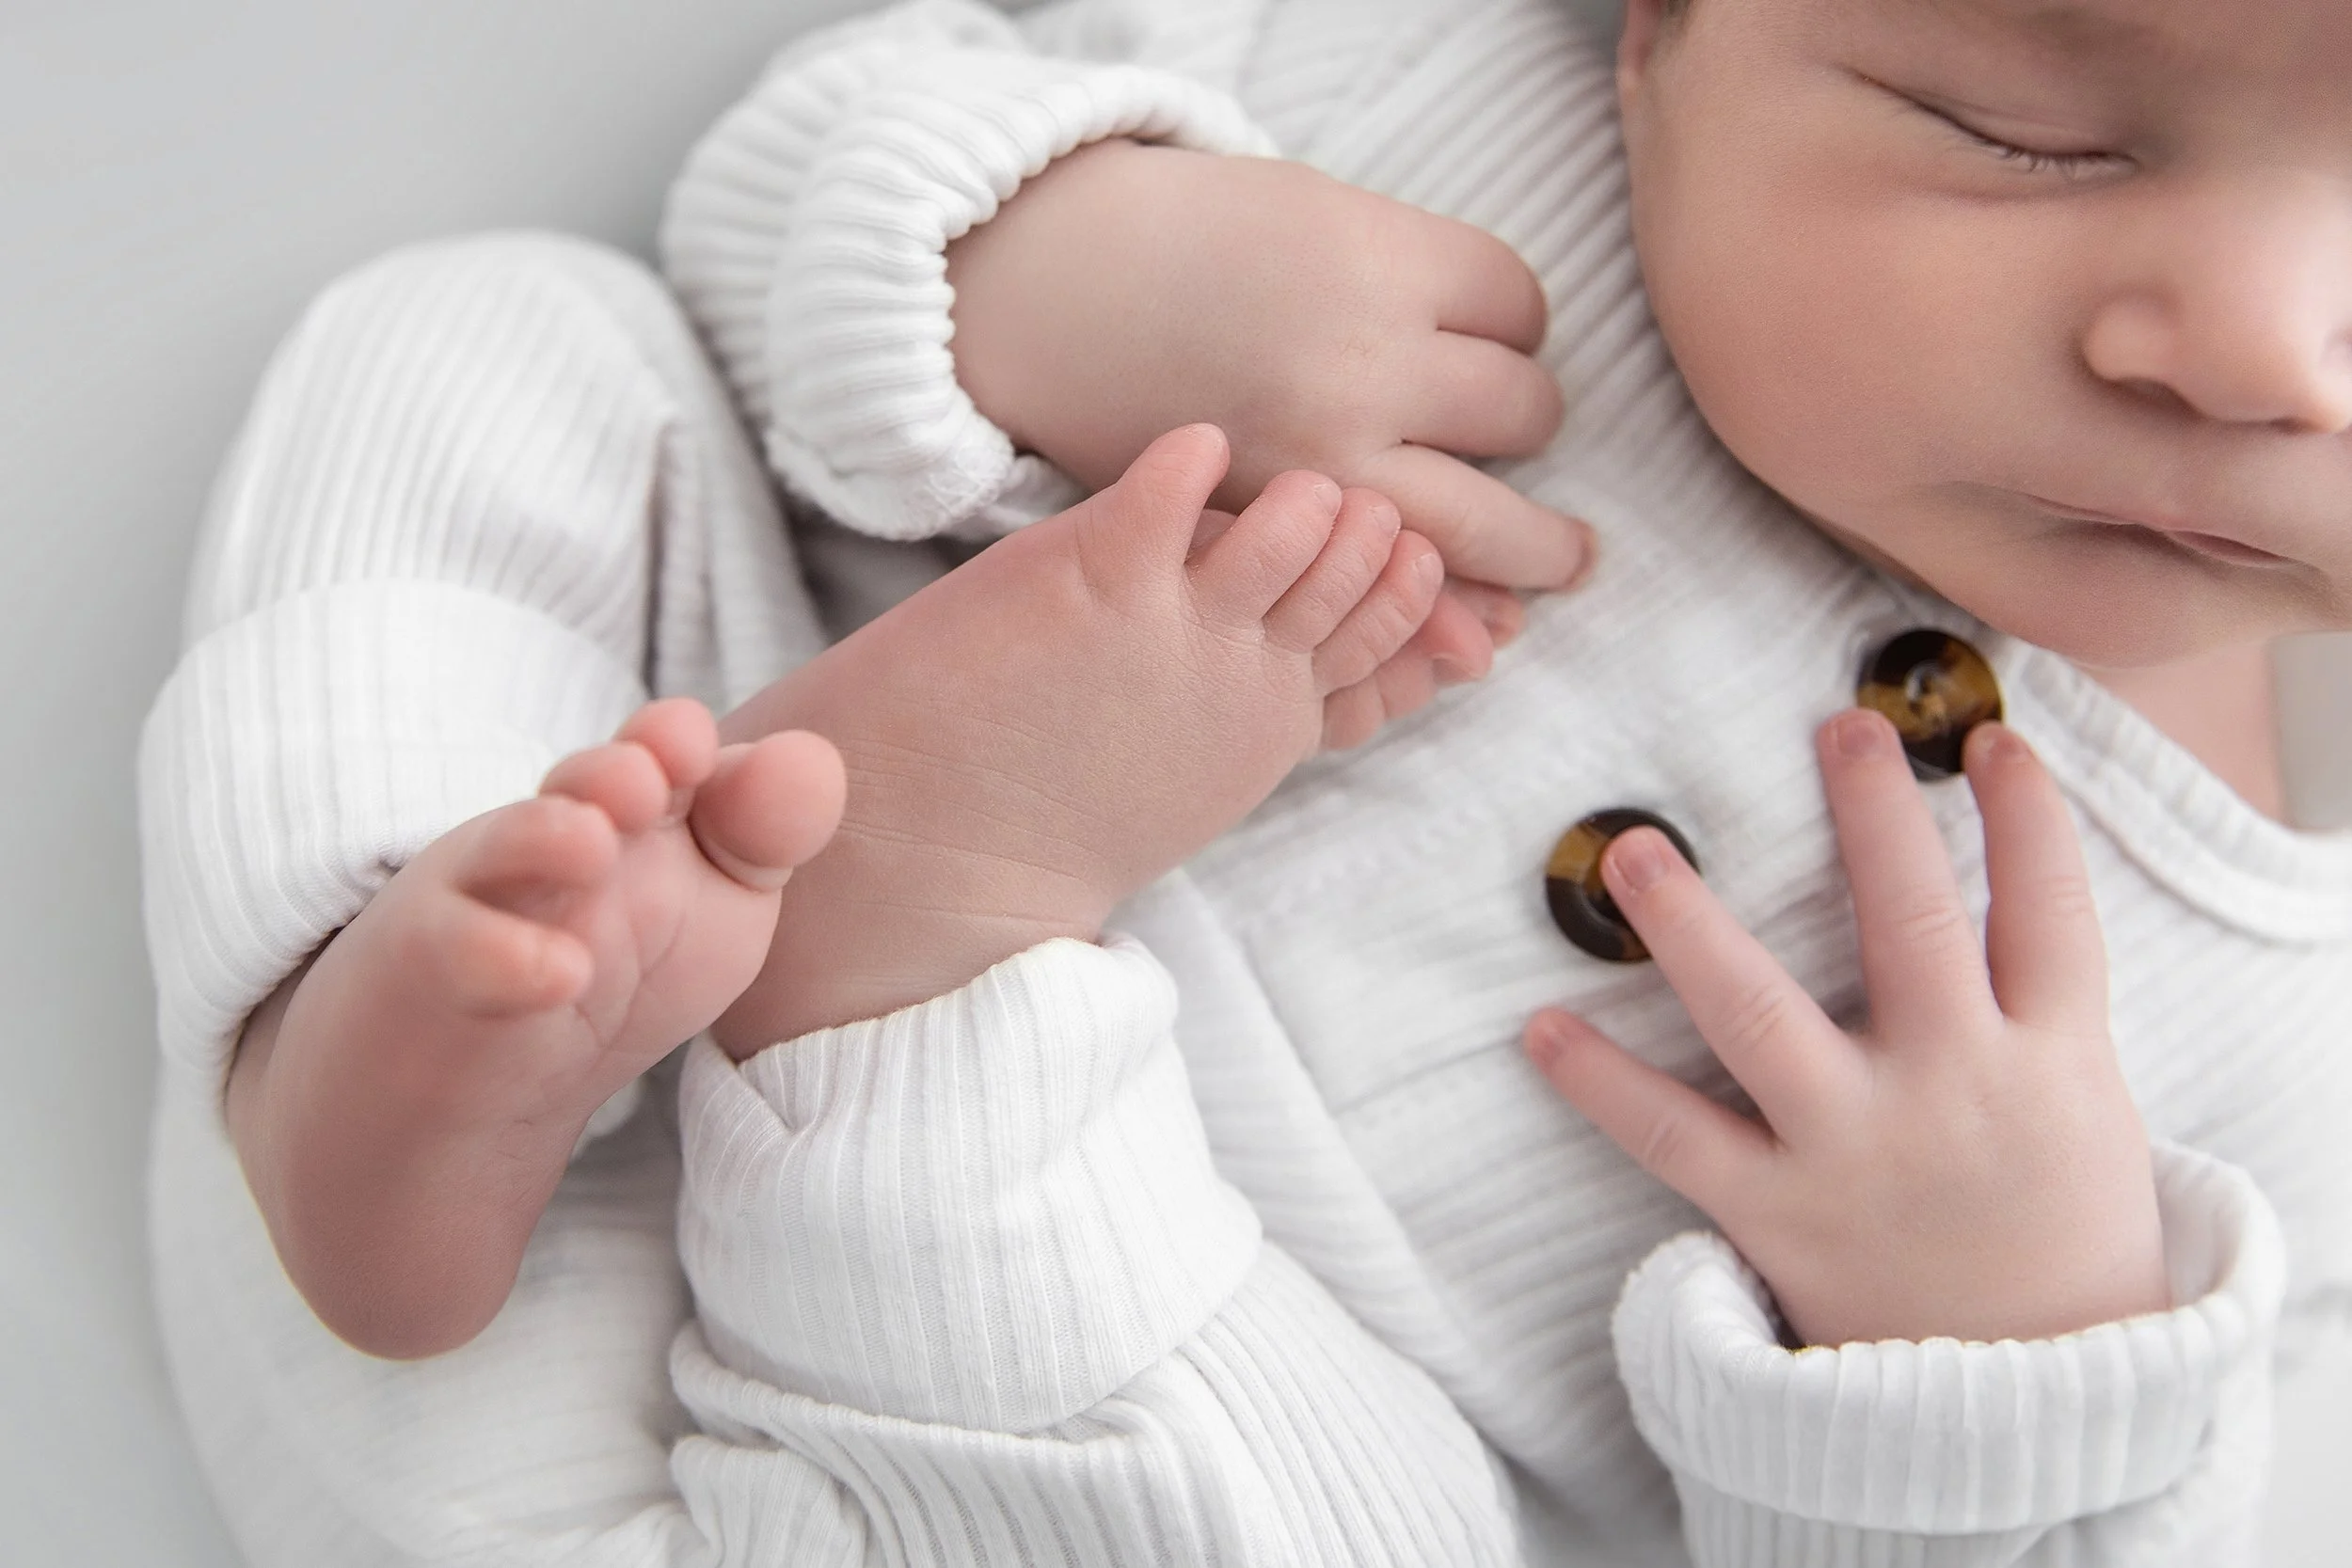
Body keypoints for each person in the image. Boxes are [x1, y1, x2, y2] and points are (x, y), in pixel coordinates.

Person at [140, 0, 2352, 1562]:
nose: (2251, 347)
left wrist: (1995, 1352)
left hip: (937, 1468)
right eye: (2017, 122)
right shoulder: (1378, 82)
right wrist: (1048, 264)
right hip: (548, 1080)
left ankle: (911, 944)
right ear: (1659, 30)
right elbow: (799, 173)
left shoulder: (2280, 1065)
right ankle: (358, 1012)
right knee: (497, 344)